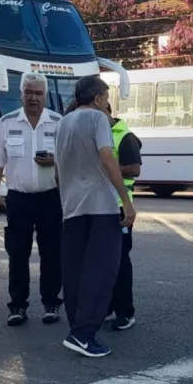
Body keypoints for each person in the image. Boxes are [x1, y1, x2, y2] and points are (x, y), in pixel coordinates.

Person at [54, 75, 136, 357]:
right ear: (98, 97)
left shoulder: (63, 123)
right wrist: (125, 201)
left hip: (72, 207)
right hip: (100, 206)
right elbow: (106, 159)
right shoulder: (98, 119)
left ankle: (77, 327)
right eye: (106, 97)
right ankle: (84, 333)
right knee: (102, 270)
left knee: (75, 270)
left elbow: (57, 170)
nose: (107, 102)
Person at [0, 72, 64, 326]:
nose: (33, 98)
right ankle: (17, 306)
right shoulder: (7, 123)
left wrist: (54, 161)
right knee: (17, 253)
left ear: (45, 96)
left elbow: (70, 159)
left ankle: (51, 303)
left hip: (51, 198)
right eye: (28, 92)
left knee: (52, 253)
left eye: (38, 93)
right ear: (21, 95)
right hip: (18, 199)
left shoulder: (58, 122)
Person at [105, 103, 142, 331]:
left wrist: (109, 167)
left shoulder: (125, 135)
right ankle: (108, 308)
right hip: (100, 205)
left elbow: (135, 169)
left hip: (120, 207)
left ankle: (125, 312)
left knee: (120, 261)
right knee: (104, 262)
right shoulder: (97, 133)